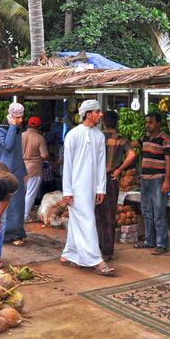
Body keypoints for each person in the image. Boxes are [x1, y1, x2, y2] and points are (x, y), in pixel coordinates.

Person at [60, 99, 114, 276]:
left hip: (91, 188)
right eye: (97, 112)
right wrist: (67, 191)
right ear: (88, 114)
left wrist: (101, 188)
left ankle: (69, 254)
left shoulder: (99, 136)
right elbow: (67, 165)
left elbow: (101, 165)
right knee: (88, 221)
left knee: (79, 220)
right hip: (76, 187)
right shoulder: (73, 135)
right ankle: (96, 260)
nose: (100, 115)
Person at [132, 113, 170, 255]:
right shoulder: (145, 138)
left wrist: (167, 180)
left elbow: (169, 161)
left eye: (150, 122)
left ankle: (161, 244)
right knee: (147, 211)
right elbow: (132, 145)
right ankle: (149, 241)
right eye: (146, 122)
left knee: (159, 212)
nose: (147, 125)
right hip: (145, 179)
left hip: (158, 179)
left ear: (158, 124)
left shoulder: (165, 139)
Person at [98, 110, 136, 261]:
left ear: (103, 122)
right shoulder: (121, 139)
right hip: (111, 178)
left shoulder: (97, 137)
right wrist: (119, 169)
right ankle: (107, 251)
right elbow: (132, 154)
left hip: (95, 177)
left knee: (95, 214)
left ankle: (95, 248)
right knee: (109, 214)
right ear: (117, 122)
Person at [0, 103, 28, 245]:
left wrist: (25, 170)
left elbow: (18, 153)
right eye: (17, 117)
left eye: (21, 117)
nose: (20, 120)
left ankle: (16, 234)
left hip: (18, 170)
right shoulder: (0, 130)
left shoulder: (17, 130)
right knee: (4, 202)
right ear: (10, 116)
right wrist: (12, 126)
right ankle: (0, 232)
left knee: (18, 204)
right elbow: (8, 146)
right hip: (4, 171)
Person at [22, 116, 49, 221]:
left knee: (21, 193)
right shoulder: (40, 138)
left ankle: (19, 215)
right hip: (34, 169)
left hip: (21, 167)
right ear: (39, 126)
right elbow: (44, 155)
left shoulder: (21, 135)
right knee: (30, 194)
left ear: (28, 124)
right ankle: (25, 216)